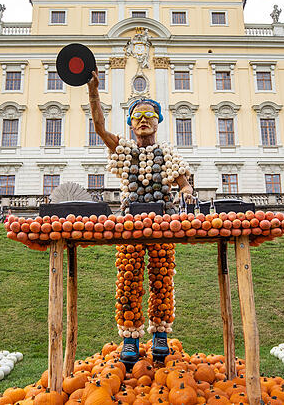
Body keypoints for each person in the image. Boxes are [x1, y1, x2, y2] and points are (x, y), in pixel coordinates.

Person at [88, 71, 193, 367]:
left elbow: (183, 182)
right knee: (128, 278)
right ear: (131, 123)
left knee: (162, 278)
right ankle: (130, 338)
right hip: (131, 224)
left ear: (158, 120)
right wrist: (94, 92)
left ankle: (160, 333)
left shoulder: (167, 153)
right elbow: (99, 127)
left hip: (163, 224)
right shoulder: (124, 150)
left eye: (149, 115)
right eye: (137, 116)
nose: (143, 119)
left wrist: (186, 190)